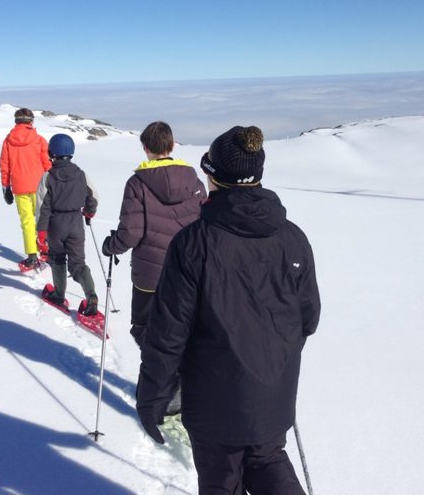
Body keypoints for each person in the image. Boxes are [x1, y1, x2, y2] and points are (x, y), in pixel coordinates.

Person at [136, 126, 321, 495]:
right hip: (273, 393)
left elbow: (168, 334)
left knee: (222, 479)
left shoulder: (193, 243)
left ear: (211, 175)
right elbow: (308, 317)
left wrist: (152, 398)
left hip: (213, 402)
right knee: (267, 460)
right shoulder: (292, 237)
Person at [101, 121, 206, 347]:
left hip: (149, 277)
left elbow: (130, 233)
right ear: (172, 146)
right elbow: (204, 228)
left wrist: (111, 246)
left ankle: (159, 377)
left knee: (145, 330)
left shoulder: (137, 184)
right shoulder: (195, 183)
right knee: (183, 331)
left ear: (146, 148)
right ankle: (178, 376)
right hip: (187, 274)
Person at [36, 133, 99, 316]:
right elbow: (93, 197)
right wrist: (89, 212)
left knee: (57, 259)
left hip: (56, 225)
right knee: (78, 263)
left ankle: (58, 294)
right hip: (76, 223)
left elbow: (42, 207)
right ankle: (91, 296)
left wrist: (41, 231)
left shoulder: (47, 177)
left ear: (51, 152)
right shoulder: (81, 174)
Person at [0, 108, 52, 271]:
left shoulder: (8, 141)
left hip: (19, 186)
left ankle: (31, 256)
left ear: (16, 121)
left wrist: (5, 187)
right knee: (43, 219)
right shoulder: (39, 140)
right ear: (31, 121)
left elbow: (4, 166)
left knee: (27, 221)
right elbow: (47, 164)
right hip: (40, 186)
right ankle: (46, 250)